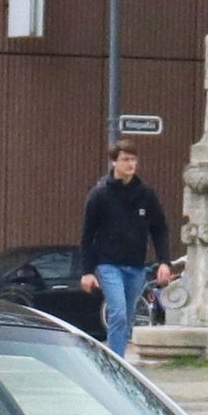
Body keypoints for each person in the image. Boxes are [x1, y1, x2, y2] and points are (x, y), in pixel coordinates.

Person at [76, 142, 172, 357]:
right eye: (125, 159)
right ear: (114, 162)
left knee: (128, 316)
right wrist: (87, 271)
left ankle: (117, 356)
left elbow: (159, 229)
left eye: (133, 160)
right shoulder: (100, 195)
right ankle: (116, 360)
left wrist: (164, 261)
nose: (130, 164)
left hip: (136, 266)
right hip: (108, 264)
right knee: (118, 312)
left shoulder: (146, 194)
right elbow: (87, 235)